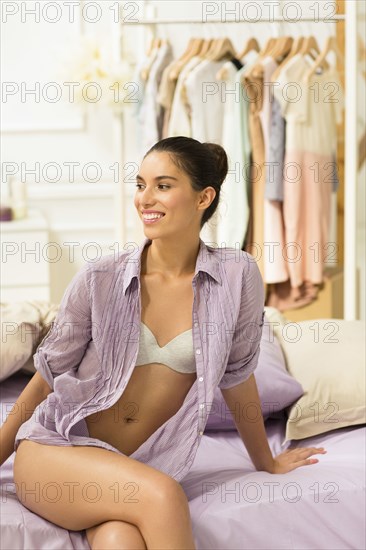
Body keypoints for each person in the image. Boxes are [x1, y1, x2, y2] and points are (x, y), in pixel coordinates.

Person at [0, 136, 327, 550]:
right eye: (140, 185)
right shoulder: (101, 277)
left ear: (203, 197)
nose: (145, 199)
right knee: (164, 496)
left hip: (142, 464)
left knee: (120, 540)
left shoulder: (236, 275)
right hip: (58, 452)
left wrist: (266, 462)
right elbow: (45, 379)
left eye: (163, 185)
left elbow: (238, 374)